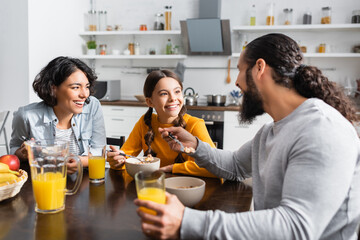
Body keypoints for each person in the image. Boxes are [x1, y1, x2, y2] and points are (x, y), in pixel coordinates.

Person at [133, 33, 360, 239]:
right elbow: (234, 166)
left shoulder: (321, 129)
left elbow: (296, 227)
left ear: (259, 68)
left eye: (240, 69)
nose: (236, 81)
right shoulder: (271, 131)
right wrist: (196, 146)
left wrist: (187, 221)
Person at [107, 70, 217, 177]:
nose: (173, 98)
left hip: (185, 190)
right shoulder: (144, 123)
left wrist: (172, 168)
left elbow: (215, 166)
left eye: (177, 91)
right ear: (150, 102)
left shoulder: (195, 124)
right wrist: (116, 161)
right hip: (153, 189)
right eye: (164, 94)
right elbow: (125, 158)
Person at [10, 56, 106, 174]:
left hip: (83, 182)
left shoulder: (93, 106)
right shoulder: (26, 116)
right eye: (76, 87)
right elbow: (14, 149)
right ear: (53, 88)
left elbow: (99, 150)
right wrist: (23, 153)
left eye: (86, 86)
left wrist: (80, 162)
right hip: (44, 179)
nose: (85, 94)